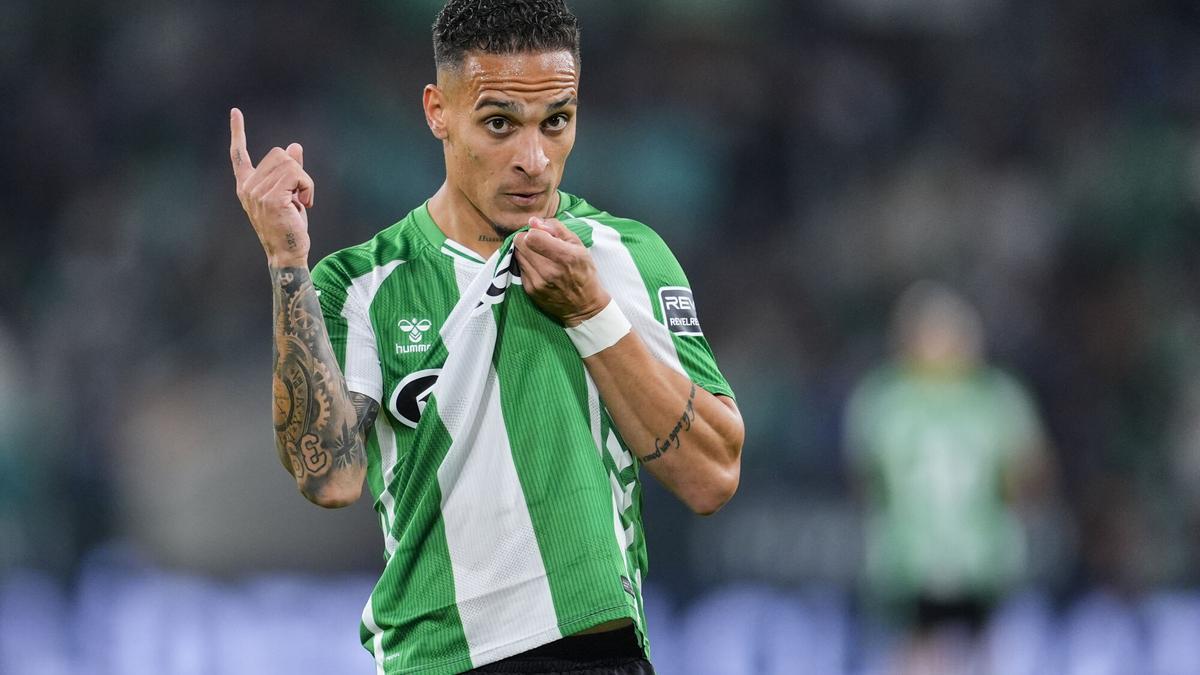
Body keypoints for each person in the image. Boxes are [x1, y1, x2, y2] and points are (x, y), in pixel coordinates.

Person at [228, 1, 744, 673]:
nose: (534, 159)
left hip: (596, 653)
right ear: (438, 110)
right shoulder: (361, 283)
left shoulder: (627, 256)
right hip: (437, 657)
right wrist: (286, 264)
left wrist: (592, 313)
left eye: (556, 121)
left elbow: (713, 474)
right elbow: (328, 475)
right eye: (499, 123)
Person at [844, 281, 1052, 674]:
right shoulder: (996, 396)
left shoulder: (885, 398)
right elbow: (1027, 475)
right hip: (973, 553)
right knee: (975, 649)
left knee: (925, 650)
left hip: (915, 556)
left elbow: (866, 481)